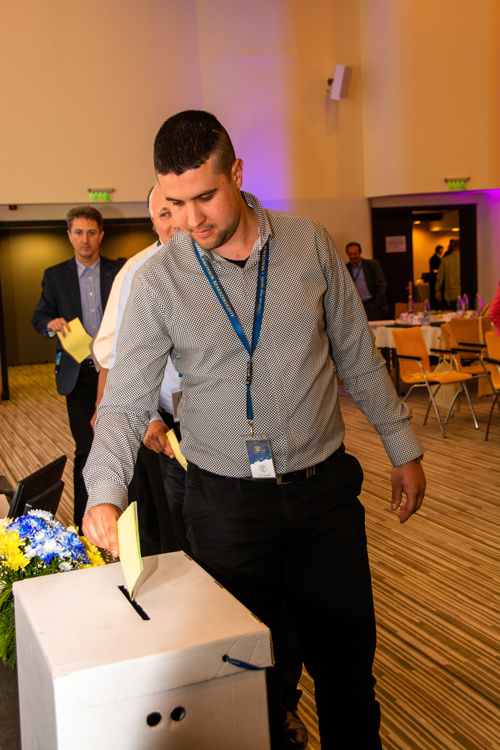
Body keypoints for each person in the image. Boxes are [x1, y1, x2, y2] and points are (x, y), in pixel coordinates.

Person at [83, 110, 425, 749]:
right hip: (226, 505)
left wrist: (402, 448)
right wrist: (102, 491)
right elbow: (125, 401)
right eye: (174, 204)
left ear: (237, 173)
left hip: (323, 494)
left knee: (347, 669)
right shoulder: (159, 280)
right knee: (245, 680)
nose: (190, 220)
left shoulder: (309, 243)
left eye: (205, 196)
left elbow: (356, 355)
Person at [92, 184, 188, 553]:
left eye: (178, 209)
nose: (175, 222)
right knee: (179, 519)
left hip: (234, 423)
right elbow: (120, 358)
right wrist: (149, 417)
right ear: (152, 221)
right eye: (164, 214)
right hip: (171, 423)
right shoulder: (138, 273)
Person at [32, 206, 124, 530]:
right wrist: (50, 324)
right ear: (69, 235)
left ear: (101, 235)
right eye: (79, 232)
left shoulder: (119, 271)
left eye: (91, 232)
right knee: (86, 447)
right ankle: (84, 523)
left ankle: (125, 516)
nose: (85, 239)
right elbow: (39, 316)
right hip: (79, 374)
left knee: (125, 445)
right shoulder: (55, 275)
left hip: (118, 371)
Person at [345, 241, 389, 320]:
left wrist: (376, 303)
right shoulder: (345, 269)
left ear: (360, 252)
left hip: (372, 305)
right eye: (350, 254)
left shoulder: (372, 265)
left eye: (355, 254)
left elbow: (382, 285)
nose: (353, 257)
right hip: (356, 307)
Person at [435, 238, 461, 309]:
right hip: (462, 293)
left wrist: (437, 292)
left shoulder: (445, 260)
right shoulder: (464, 259)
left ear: (452, 247)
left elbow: (439, 278)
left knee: (451, 313)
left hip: (450, 294)